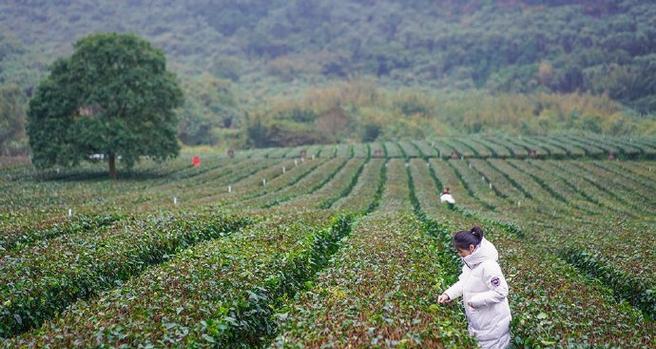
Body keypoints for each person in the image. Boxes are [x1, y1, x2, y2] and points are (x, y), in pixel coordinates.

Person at [438, 227, 511, 349]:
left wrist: (475, 301)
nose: (459, 255)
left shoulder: (489, 265)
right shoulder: (472, 263)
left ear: (471, 247)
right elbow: (464, 283)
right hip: (480, 321)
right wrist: (448, 294)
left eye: (461, 251)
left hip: (492, 324)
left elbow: (501, 291)